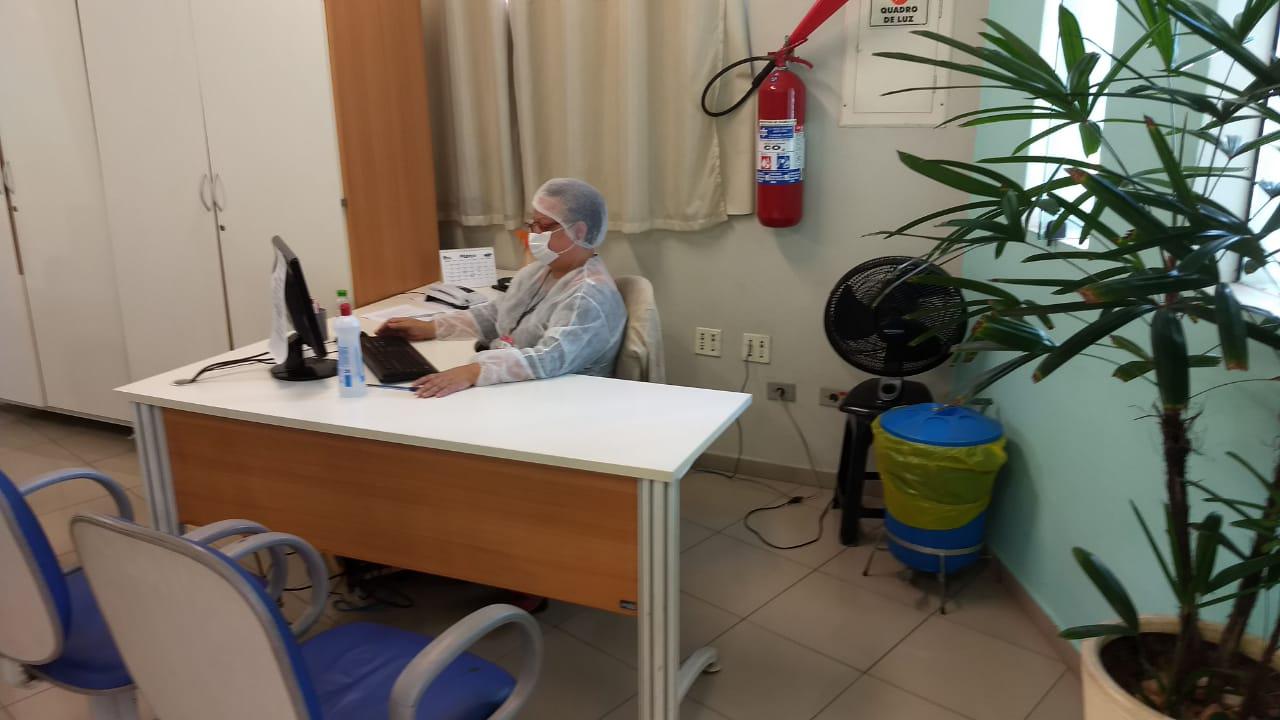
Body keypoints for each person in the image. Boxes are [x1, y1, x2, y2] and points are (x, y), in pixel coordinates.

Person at [377, 178, 627, 397]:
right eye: (533, 224)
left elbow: (550, 357)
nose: (534, 234)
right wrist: (432, 327)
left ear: (579, 231)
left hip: (560, 399)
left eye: (544, 226)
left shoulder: (590, 295)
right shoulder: (538, 272)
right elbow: (497, 313)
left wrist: (475, 371)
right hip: (518, 387)